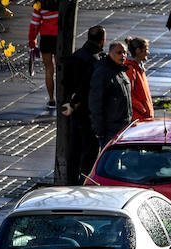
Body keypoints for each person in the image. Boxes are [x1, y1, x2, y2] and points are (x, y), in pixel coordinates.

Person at [63, 25, 106, 184]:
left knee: (74, 151)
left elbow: (65, 84)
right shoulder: (97, 61)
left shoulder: (75, 56)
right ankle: (85, 183)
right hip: (90, 114)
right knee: (89, 152)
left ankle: (71, 182)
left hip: (74, 113)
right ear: (102, 41)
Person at [88, 41, 132, 149]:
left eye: (124, 53)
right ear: (110, 53)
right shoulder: (103, 72)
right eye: (119, 52)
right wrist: (99, 130)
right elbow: (96, 102)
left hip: (123, 125)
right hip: (110, 128)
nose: (123, 55)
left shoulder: (121, 71)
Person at [28, 0, 58, 110]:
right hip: (59, 38)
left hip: (46, 38)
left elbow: (35, 24)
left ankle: (51, 99)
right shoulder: (61, 3)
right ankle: (62, 97)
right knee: (61, 69)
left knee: (49, 70)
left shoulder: (40, 4)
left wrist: (32, 41)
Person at [125, 37, 154, 121]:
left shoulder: (138, 68)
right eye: (146, 50)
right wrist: (143, 110)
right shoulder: (131, 69)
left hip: (143, 116)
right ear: (138, 50)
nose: (148, 53)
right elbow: (129, 94)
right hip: (138, 117)